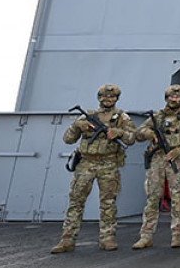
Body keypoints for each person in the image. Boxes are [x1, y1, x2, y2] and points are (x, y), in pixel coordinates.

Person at [51, 84, 135, 253]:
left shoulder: (122, 118)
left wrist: (119, 132)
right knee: (76, 201)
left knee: (108, 202)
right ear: (99, 98)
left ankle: (107, 238)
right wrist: (77, 126)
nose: (108, 99)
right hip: (86, 163)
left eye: (112, 97)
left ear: (116, 99)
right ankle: (67, 239)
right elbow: (68, 139)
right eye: (104, 96)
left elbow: (132, 138)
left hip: (108, 164)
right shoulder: (87, 117)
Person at [133, 84, 180, 249]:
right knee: (153, 197)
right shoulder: (157, 117)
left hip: (177, 160)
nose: (174, 99)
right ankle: (146, 235)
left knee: (178, 198)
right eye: (171, 96)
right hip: (158, 159)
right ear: (166, 98)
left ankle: (177, 234)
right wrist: (149, 133)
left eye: (178, 97)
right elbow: (138, 133)